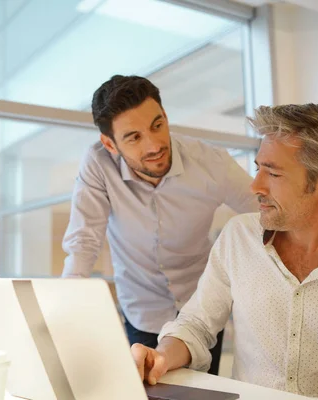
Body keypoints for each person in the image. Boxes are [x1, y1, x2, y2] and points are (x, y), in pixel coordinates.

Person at [131, 103, 318, 397]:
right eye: (258, 168)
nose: (255, 186)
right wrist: (163, 356)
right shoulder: (238, 237)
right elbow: (196, 324)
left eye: (273, 174)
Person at [61, 75, 258, 375]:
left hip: (201, 309)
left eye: (157, 125)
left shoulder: (210, 162)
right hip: (142, 311)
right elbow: (84, 240)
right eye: (134, 137)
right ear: (109, 144)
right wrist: (67, 309)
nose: (154, 144)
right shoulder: (98, 164)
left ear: (165, 117)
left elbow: (263, 210)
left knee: (201, 395)